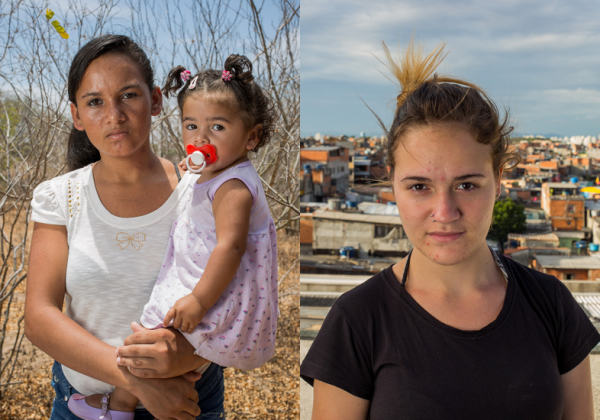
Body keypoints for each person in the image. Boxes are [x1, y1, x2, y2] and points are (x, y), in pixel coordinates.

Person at [300, 39, 600, 420]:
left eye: (467, 185)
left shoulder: (552, 305)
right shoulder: (357, 322)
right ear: (392, 185)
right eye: (419, 186)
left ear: (499, 179)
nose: (444, 212)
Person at [66, 54, 279, 420]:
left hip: (210, 287)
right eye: (191, 126)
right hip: (201, 280)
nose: (200, 138)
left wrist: (197, 300)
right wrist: (194, 172)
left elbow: (231, 245)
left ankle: (118, 407)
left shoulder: (233, 186)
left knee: (151, 340)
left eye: (217, 128)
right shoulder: (213, 174)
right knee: (156, 343)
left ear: (251, 136)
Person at [25, 34, 226, 420]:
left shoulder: (202, 193)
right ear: (76, 116)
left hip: (186, 404)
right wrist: (135, 381)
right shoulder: (59, 197)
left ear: (155, 100)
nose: (113, 115)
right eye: (95, 102)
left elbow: (237, 299)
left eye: (128, 95)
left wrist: (188, 353)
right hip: (83, 405)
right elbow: (39, 316)